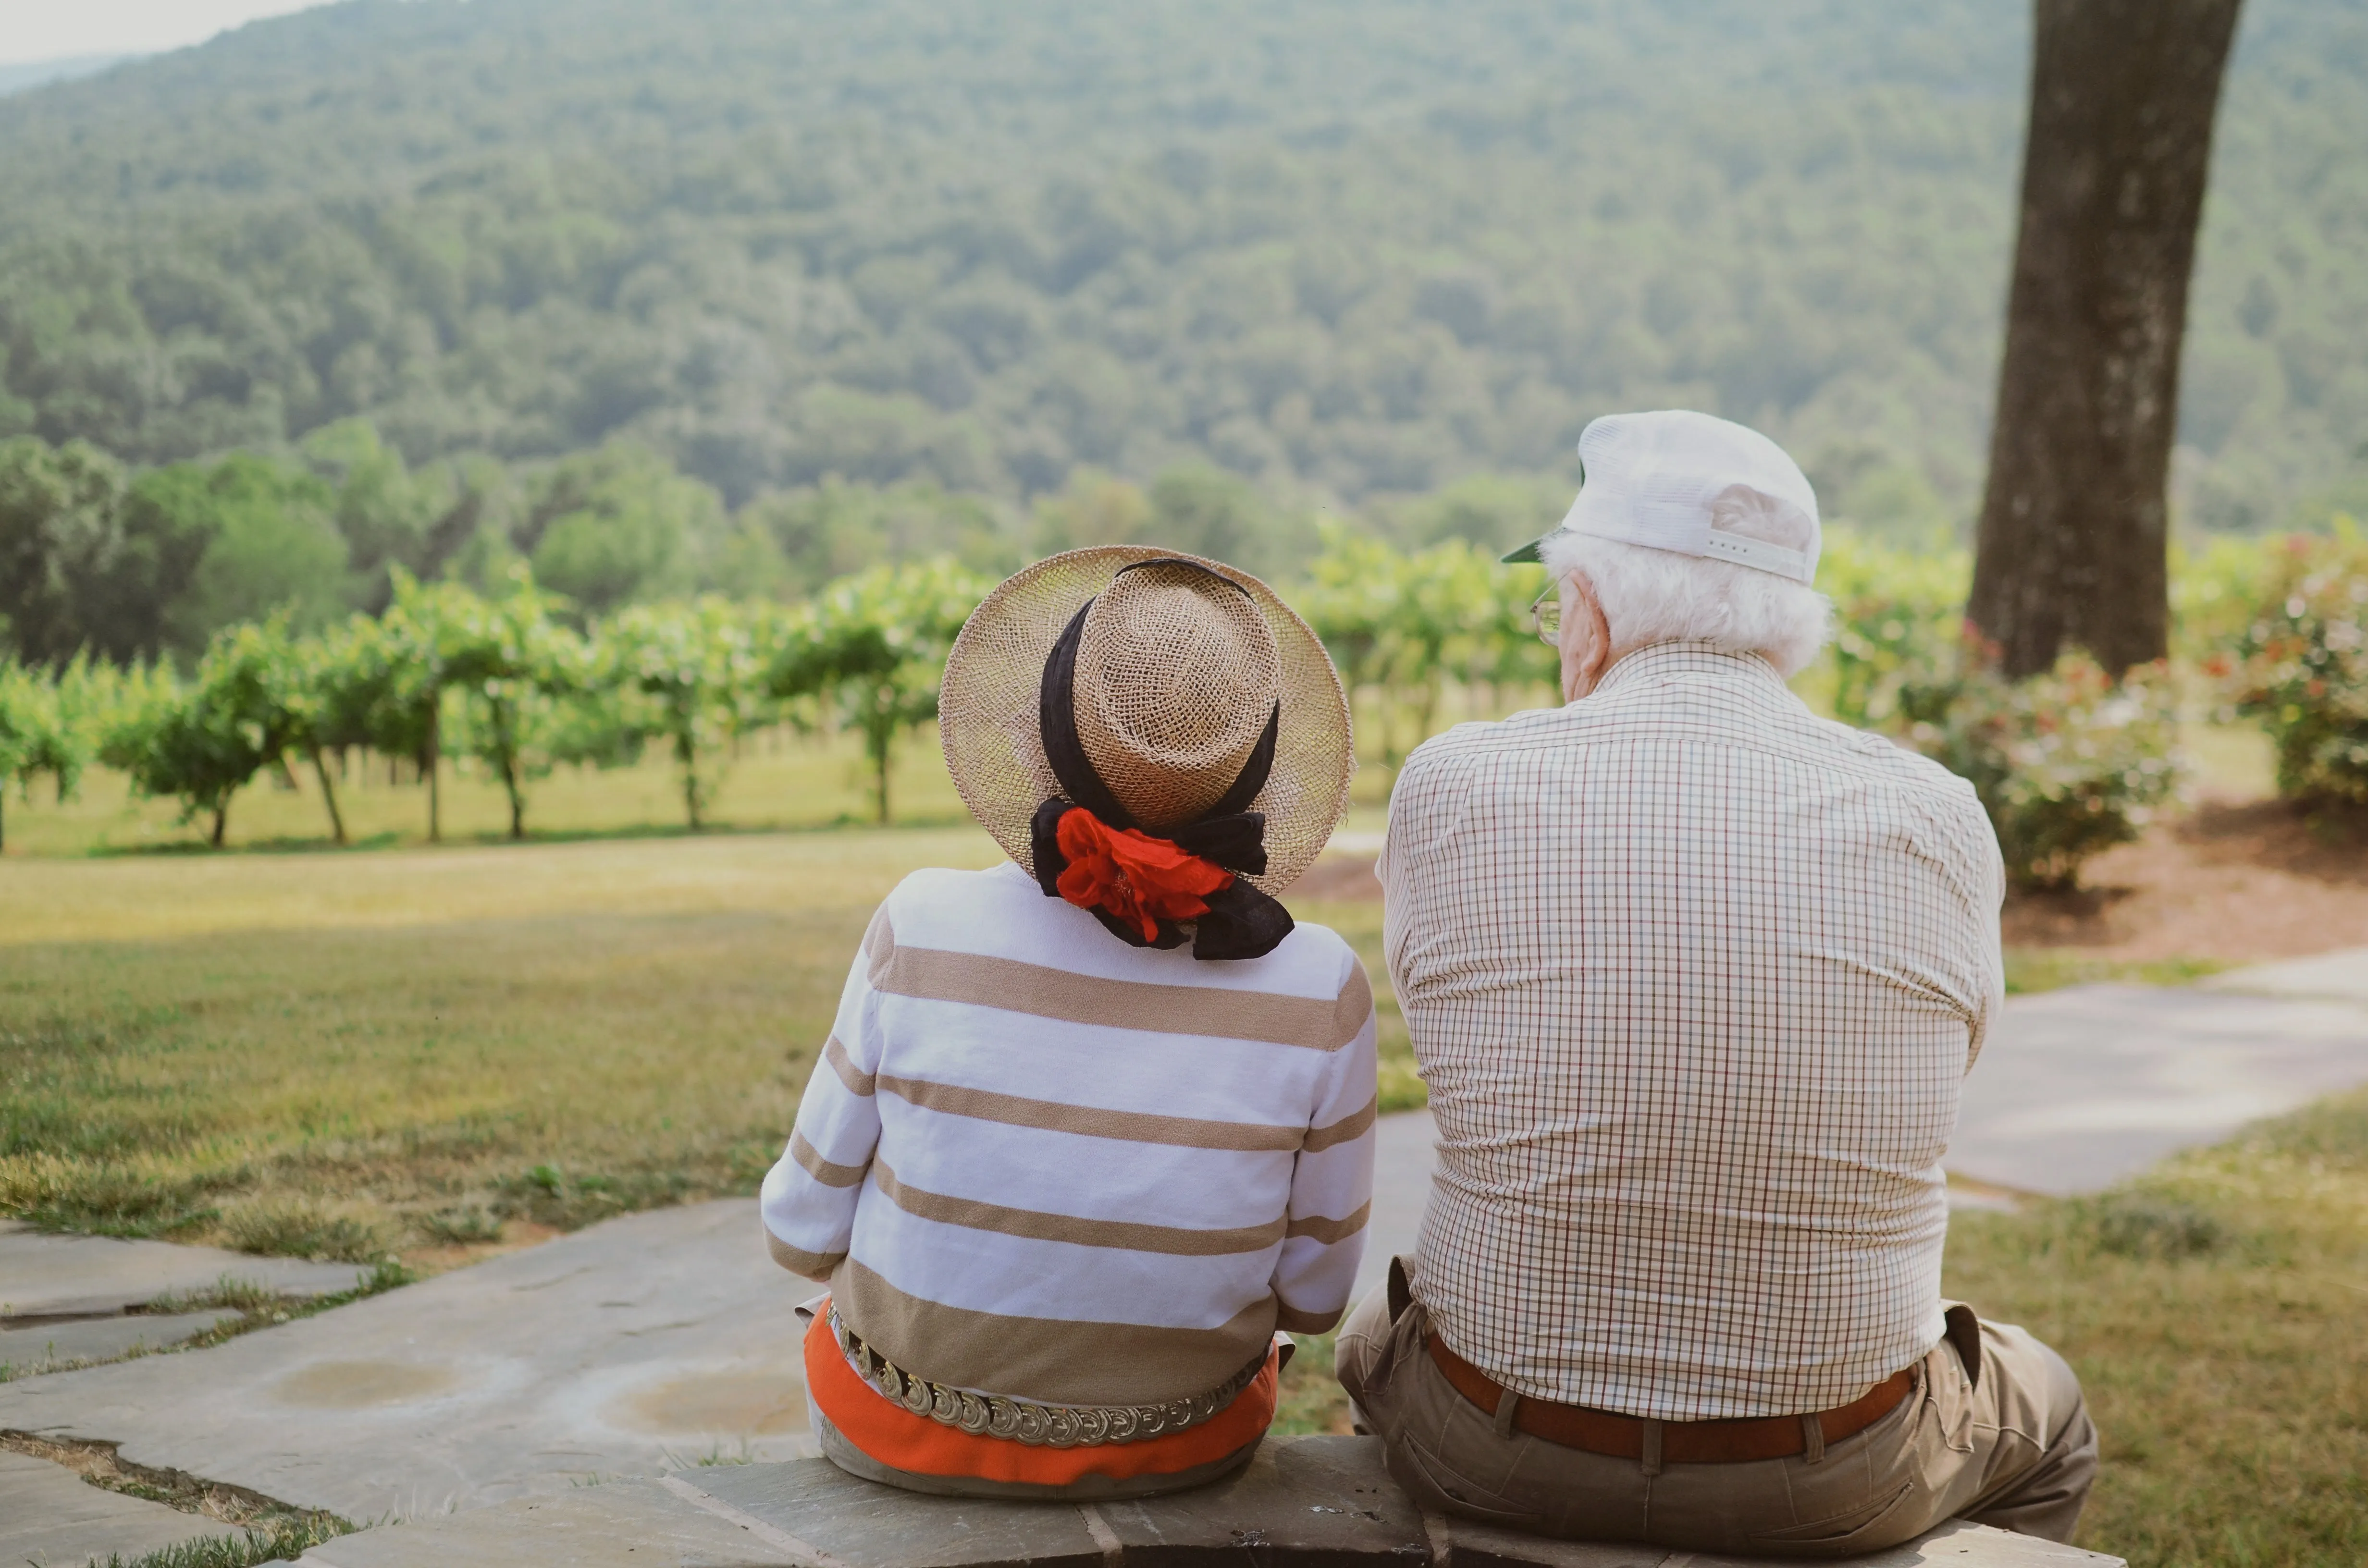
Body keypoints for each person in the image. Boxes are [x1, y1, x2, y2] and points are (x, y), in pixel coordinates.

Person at [1337, 411, 2097, 1555]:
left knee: (1369, 1341)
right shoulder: (1936, 813)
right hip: (1840, 1469)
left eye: (1555, 604)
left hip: (1489, 1442)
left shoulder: (1455, 782)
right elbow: (1955, 1056)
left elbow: (1447, 1020)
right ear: (1790, 625)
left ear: (1589, 607)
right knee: (2054, 1413)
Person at [761, 548, 1378, 1500]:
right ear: (1252, 772)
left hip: (899, 1426)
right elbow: (1316, 1301)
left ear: (1043, 733)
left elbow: (800, 1229)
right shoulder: (1316, 983)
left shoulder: (921, 922)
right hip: (1184, 1445)